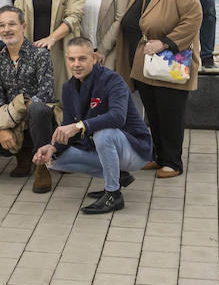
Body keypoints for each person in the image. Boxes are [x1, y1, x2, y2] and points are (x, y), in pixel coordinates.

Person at [32, 38, 152, 214]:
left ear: (94, 58)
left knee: (103, 134)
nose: (76, 64)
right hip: (103, 148)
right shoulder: (68, 87)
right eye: (71, 59)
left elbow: (117, 117)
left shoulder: (113, 80)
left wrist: (80, 126)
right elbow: (67, 126)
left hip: (134, 150)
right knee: (54, 160)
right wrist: (52, 147)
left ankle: (113, 194)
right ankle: (118, 177)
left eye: (82, 58)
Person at [123, 0, 202, 178]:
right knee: (154, 112)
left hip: (171, 58)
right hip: (145, 59)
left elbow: (193, 19)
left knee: (171, 112)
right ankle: (158, 156)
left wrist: (166, 43)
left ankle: (173, 162)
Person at [0, 6, 58, 192]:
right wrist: (2, 127)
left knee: (38, 108)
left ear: (23, 26)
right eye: (2, 25)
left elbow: (45, 93)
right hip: (12, 119)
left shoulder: (40, 55)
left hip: (38, 120)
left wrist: (15, 113)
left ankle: (42, 166)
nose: (6, 29)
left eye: (11, 24)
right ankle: (23, 154)